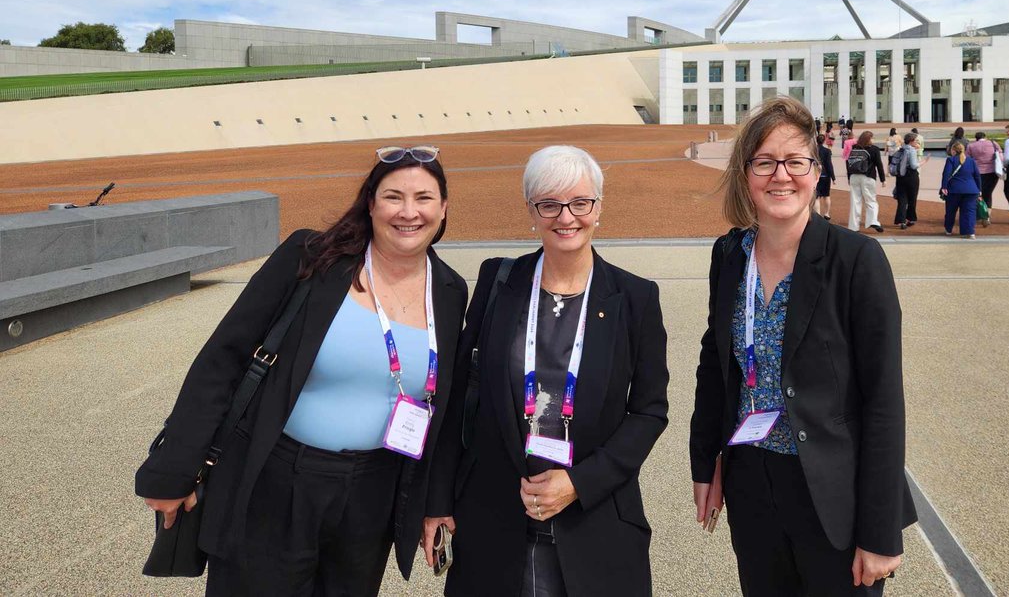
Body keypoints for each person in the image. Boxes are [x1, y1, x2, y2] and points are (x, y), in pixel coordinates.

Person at [136, 146, 469, 596]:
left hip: (373, 494)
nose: (408, 212)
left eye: (424, 198)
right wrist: (173, 469)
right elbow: (223, 358)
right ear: (370, 203)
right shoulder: (313, 256)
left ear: (443, 208)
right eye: (393, 197)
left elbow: (443, 409)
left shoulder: (448, 290)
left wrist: (436, 502)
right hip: (278, 481)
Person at [690, 96, 916, 596]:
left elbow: (883, 402)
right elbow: (715, 365)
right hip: (752, 482)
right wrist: (705, 462)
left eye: (795, 161)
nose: (781, 176)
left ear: (817, 171)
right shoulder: (729, 255)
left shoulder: (857, 260)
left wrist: (880, 531)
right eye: (765, 162)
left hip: (833, 492)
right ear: (745, 174)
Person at [426, 146, 668, 597]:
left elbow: (650, 411)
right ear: (531, 212)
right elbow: (457, 395)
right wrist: (437, 501)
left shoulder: (635, 298)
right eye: (549, 204)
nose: (566, 217)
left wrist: (580, 482)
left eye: (580, 203)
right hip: (494, 519)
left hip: (595, 524)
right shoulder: (499, 282)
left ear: (598, 208)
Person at [846, 130, 886, 234]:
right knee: (871, 200)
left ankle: (853, 227)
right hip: (868, 177)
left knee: (855, 202)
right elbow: (879, 165)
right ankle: (873, 221)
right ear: (869, 139)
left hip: (854, 176)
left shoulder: (855, 147)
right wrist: (883, 179)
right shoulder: (874, 149)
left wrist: (849, 177)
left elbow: (849, 162)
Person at [940, 141, 982, 239]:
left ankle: (948, 229)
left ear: (953, 150)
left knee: (951, 211)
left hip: (954, 189)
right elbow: (977, 176)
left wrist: (944, 187)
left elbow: (946, 174)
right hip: (971, 190)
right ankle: (969, 232)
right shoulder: (971, 161)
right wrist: (979, 189)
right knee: (969, 211)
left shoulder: (951, 160)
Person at [965, 132, 1002, 223]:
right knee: (988, 193)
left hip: (977, 172)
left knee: (978, 193)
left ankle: (978, 214)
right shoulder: (993, 143)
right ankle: (987, 216)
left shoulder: (971, 146)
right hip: (992, 171)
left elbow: (967, 159)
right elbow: (1001, 157)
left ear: (976, 138)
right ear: (985, 137)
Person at [891, 132, 920, 230]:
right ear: (911, 141)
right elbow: (913, 165)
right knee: (912, 198)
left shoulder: (901, 149)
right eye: (915, 140)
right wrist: (922, 162)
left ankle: (901, 220)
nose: (916, 142)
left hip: (900, 176)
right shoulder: (911, 150)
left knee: (902, 199)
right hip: (911, 176)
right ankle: (910, 218)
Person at [816, 132, 836, 220]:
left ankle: (818, 215)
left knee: (816, 197)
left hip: (815, 175)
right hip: (825, 175)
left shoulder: (812, 150)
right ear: (824, 141)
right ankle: (827, 213)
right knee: (826, 196)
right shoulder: (827, 151)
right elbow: (829, 165)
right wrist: (833, 177)